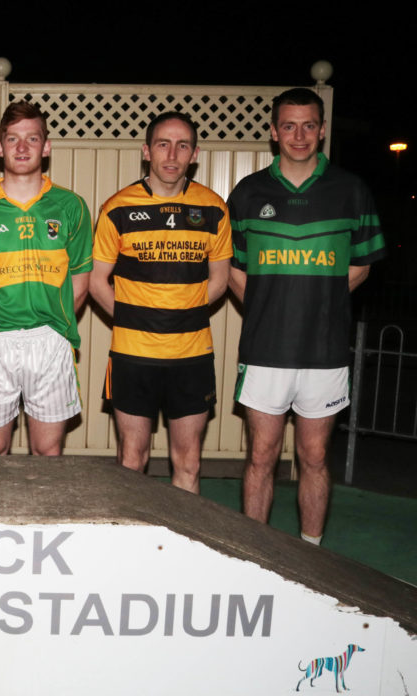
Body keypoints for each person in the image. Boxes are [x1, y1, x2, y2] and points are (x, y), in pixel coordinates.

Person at [228, 88, 385, 544]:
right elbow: (234, 269)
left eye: (309, 125)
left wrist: (321, 301)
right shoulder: (248, 192)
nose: (299, 135)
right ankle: (254, 556)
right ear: (273, 132)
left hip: (325, 350)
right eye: (289, 126)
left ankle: (311, 557)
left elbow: (362, 265)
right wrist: (268, 305)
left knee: (314, 457)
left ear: (322, 129)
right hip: (265, 349)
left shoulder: (351, 190)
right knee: (261, 456)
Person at [89, 111, 232, 492]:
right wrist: (133, 318)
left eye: (182, 146)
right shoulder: (117, 208)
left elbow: (220, 279)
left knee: (189, 462)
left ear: (194, 154)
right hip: (133, 354)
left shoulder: (213, 208)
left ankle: (183, 534)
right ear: (146, 151)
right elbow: (97, 281)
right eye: (163, 144)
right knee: (131, 460)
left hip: (192, 354)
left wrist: (184, 314)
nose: (172, 154)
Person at [0, 101, 93, 455]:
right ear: (0, 148)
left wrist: (55, 327)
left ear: (46, 147)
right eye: (13, 139)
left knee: (48, 451)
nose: (22, 147)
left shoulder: (71, 206)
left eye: (32, 138)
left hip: (50, 339)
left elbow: (80, 282)